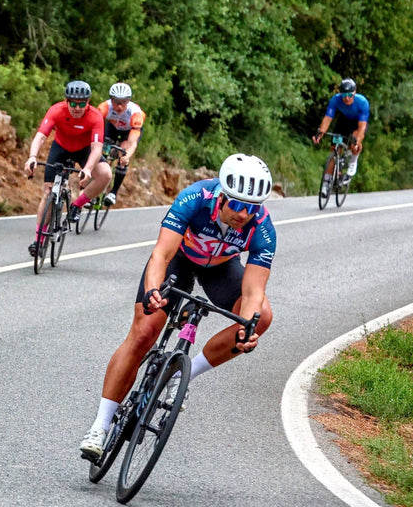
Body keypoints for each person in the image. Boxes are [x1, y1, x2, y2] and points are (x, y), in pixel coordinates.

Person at [78, 153, 276, 459]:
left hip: (220, 269)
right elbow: (161, 254)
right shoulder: (195, 198)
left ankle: (182, 375)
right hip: (178, 260)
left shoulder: (262, 228)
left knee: (262, 317)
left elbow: (253, 292)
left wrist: (247, 327)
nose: (242, 214)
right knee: (144, 332)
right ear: (221, 196)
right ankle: (100, 425)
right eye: (236, 204)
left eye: (251, 208)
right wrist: (153, 290)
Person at [23, 80, 110, 256]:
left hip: (84, 150)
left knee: (105, 174)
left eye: (81, 103)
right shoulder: (56, 110)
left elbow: (96, 148)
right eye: (72, 103)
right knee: (48, 193)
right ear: (66, 101)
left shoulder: (95, 116)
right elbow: (40, 136)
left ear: (88, 102)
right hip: (60, 148)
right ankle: (38, 241)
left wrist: (87, 169)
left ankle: (77, 205)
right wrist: (32, 157)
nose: (77, 107)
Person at [311, 77, 369, 198]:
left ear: (354, 93)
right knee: (334, 150)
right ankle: (326, 184)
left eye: (349, 94)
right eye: (344, 94)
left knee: (354, 142)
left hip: (358, 123)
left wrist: (357, 141)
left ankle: (353, 162)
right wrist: (320, 133)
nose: (346, 98)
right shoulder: (335, 100)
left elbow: (362, 127)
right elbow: (328, 118)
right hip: (343, 121)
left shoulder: (362, 102)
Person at [96, 81, 146, 206]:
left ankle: (113, 192)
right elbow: (94, 126)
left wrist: (126, 156)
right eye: (116, 101)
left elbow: (132, 143)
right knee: (101, 152)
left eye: (123, 102)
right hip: (112, 128)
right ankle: (96, 185)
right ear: (111, 100)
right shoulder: (104, 108)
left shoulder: (135, 113)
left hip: (128, 132)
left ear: (128, 101)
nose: (119, 106)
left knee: (122, 152)